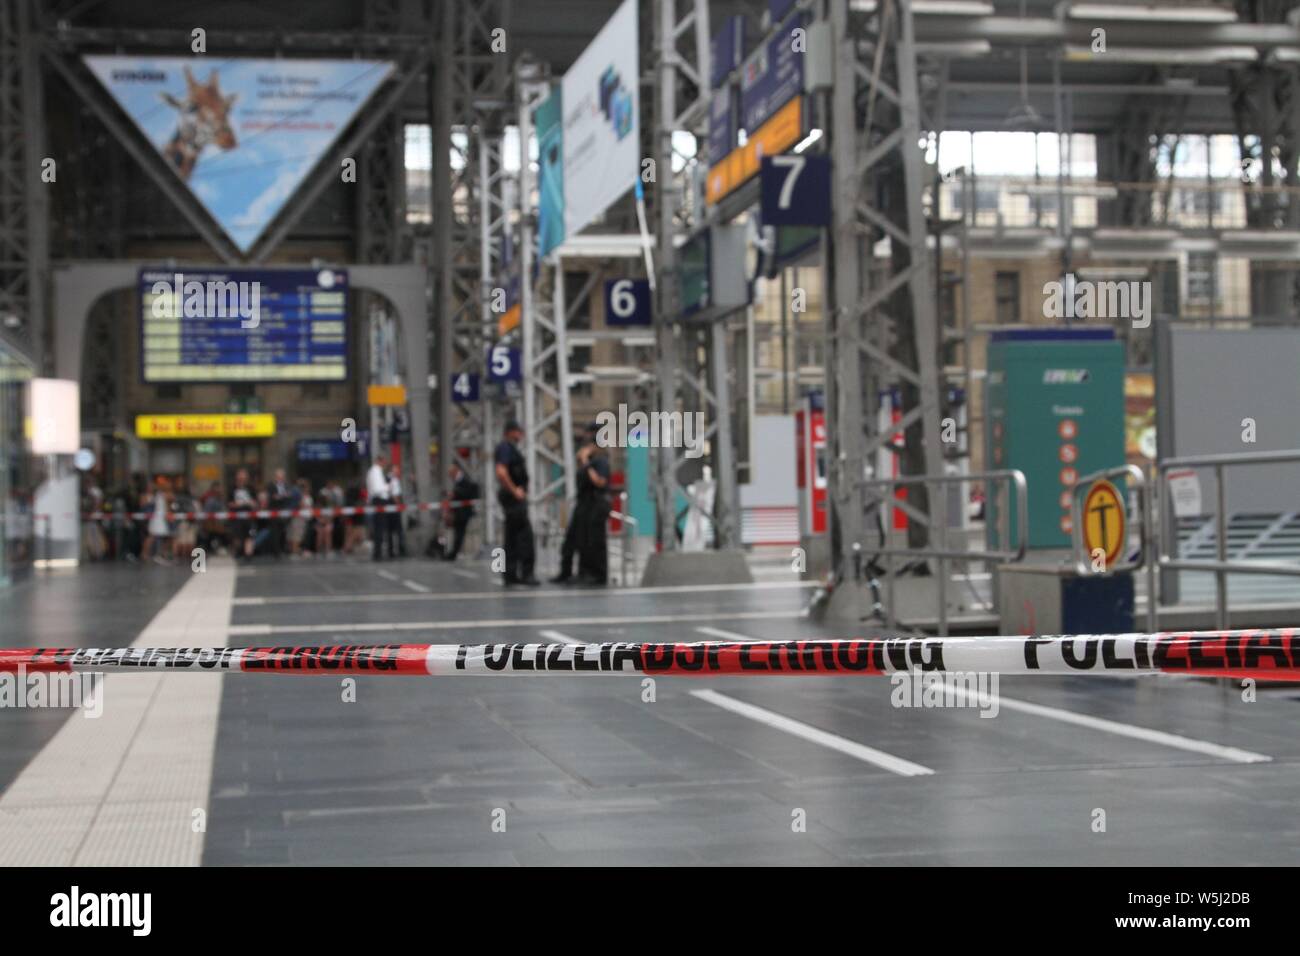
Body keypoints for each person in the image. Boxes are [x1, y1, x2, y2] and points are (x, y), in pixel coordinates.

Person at [494, 421, 538, 586]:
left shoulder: (508, 448)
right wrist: (515, 490)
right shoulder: (505, 448)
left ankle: (510, 574)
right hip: (513, 499)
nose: (521, 436)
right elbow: (501, 471)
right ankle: (526, 574)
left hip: (511, 498)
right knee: (524, 536)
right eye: (519, 432)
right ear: (511, 432)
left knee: (511, 537)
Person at [575, 434, 611, 585]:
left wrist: (585, 462)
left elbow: (600, 481)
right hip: (589, 504)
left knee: (597, 541)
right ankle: (588, 572)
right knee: (587, 540)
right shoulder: (592, 462)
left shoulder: (601, 462)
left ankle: (599, 574)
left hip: (599, 504)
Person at [439, 463, 478, 561]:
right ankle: (453, 553)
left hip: (463, 512)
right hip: (459, 512)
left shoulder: (464, 480)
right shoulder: (459, 481)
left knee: (459, 533)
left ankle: (453, 554)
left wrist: (454, 493)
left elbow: (467, 493)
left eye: (451, 474)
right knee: (458, 533)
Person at [142, 476, 174, 565]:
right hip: (158, 518)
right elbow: (170, 501)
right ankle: (147, 554)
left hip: (159, 518)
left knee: (161, 537)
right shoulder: (161, 494)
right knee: (153, 536)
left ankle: (159, 555)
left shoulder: (159, 494)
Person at [366, 454, 393, 560]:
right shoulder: (376, 471)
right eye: (384, 462)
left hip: (377, 500)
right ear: (380, 461)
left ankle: (378, 553)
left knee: (379, 528)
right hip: (379, 500)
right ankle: (378, 554)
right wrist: (388, 487)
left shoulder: (373, 471)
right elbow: (378, 489)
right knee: (380, 528)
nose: (385, 465)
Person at [229, 469, 257, 560]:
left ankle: (248, 555)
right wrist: (239, 504)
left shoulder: (251, 488)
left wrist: (251, 504)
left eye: (244, 476)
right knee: (237, 536)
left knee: (249, 536)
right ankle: (237, 552)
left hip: (249, 516)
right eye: (240, 476)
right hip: (236, 516)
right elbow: (229, 503)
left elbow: (255, 503)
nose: (242, 478)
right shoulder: (232, 488)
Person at [388, 463, 406, 558]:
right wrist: (398, 505)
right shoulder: (393, 480)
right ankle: (400, 550)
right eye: (397, 470)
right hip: (394, 508)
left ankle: (392, 551)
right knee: (398, 530)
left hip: (390, 508)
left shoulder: (389, 479)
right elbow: (394, 495)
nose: (398, 472)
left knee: (391, 530)